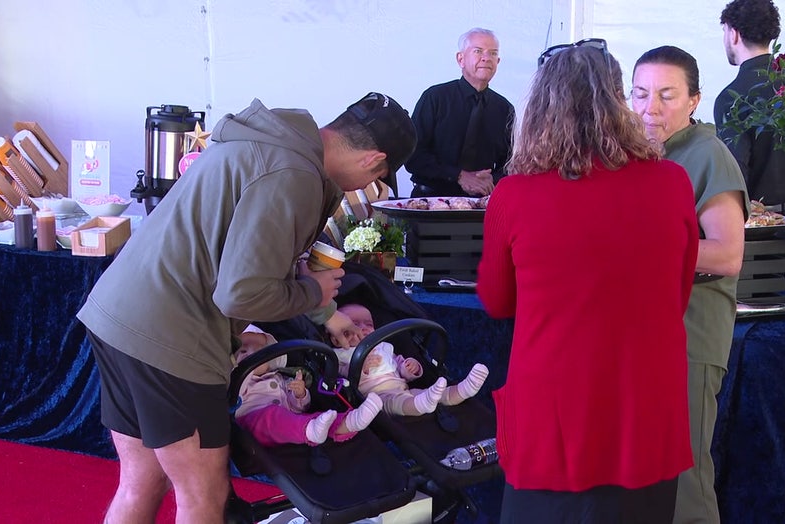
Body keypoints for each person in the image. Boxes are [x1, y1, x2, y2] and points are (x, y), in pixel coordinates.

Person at [76, 92, 416, 524]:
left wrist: (327, 314)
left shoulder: (270, 139)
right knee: (204, 495)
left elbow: (245, 258)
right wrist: (313, 293)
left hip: (118, 316)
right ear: (374, 162)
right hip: (173, 338)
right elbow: (241, 294)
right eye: (380, 177)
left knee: (142, 478)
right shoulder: (294, 173)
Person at [477, 39, 700, 523]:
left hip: (554, 411)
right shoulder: (671, 182)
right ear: (619, 100)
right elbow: (678, 293)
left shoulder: (514, 196)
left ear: (538, 109)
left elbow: (496, 301)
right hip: (645, 405)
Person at [631, 46, 750, 524]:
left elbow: (727, 253)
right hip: (646, 334)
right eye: (640, 94)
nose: (650, 108)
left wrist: (635, 249)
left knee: (685, 477)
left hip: (691, 336)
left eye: (666, 95)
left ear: (695, 100)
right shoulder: (642, 153)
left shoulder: (707, 156)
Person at [715, 0, 785, 254]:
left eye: (724, 32)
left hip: (749, 225)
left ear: (733, 33)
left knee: (742, 295)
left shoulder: (732, 97)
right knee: (775, 292)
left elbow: (735, 172)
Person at [405, 27, 515, 198]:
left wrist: (491, 179)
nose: (486, 58)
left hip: (482, 206)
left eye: (493, 53)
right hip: (431, 204)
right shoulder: (435, 98)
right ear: (460, 59)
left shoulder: (504, 108)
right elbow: (413, 156)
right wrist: (459, 175)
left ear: (498, 61)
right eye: (478, 51)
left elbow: (511, 162)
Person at [328, 303, 489, 416]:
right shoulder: (341, 353)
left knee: (426, 393)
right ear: (336, 338)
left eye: (368, 324)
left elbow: (397, 362)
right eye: (355, 324)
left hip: (403, 388)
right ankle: (423, 404)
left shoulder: (383, 346)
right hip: (375, 398)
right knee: (402, 402)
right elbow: (340, 374)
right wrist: (360, 368)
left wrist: (410, 368)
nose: (364, 328)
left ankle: (461, 390)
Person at [234, 326, 383, 447]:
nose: (251, 354)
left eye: (259, 351)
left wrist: (299, 395)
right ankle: (310, 430)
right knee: (272, 417)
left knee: (319, 419)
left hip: (292, 422)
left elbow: (298, 408)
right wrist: (245, 368)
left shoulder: (279, 378)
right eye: (243, 351)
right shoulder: (237, 382)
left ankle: (349, 422)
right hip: (253, 424)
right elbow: (235, 395)